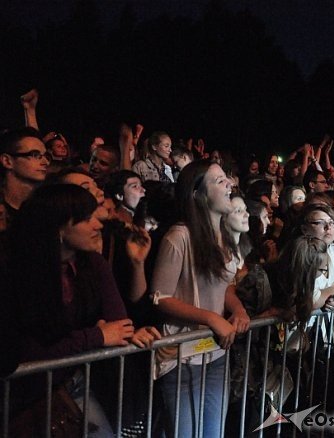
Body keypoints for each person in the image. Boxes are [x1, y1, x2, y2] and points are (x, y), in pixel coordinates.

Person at [4, 184, 160, 437]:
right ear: (59, 227)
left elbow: (118, 322)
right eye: (86, 219)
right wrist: (95, 337)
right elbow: (24, 353)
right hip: (25, 398)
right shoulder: (19, 273)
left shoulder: (89, 263)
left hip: (73, 382)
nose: (98, 224)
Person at [151, 160, 249, 437]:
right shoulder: (179, 237)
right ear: (198, 195)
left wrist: (238, 310)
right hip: (181, 358)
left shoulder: (225, 238)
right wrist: (211, 318)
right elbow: (160, 298)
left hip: (216, 353)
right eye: (219, 181)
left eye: (226, 178)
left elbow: (225, 287)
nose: (229, 184)